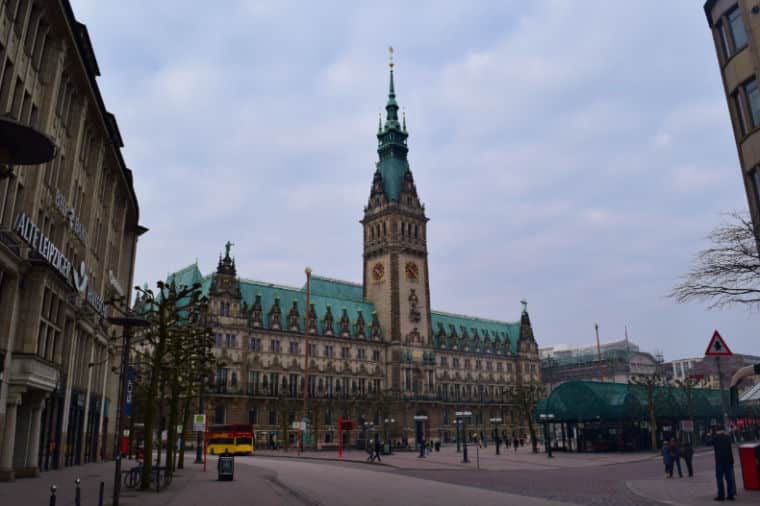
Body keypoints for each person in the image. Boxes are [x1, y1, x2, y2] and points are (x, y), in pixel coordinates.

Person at [708, 426, 737, 501]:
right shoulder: (727, 437)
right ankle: (730, 495)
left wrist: (710, 434)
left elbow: (707, 443)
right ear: (723, 430)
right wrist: (732, 460)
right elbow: (730, 449)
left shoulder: (715, 437)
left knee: (719, 479)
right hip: (728, 460)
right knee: (729, 479)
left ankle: (721, 495)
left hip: (719, 461)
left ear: (717, 430)